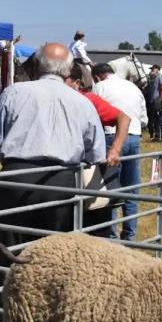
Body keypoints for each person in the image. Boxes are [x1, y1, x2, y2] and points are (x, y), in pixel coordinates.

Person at [0, 42, 105, 247]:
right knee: (53, 251)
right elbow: (96, 152)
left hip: (15, 178)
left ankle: (5, 277)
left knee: (9, 246)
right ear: (69, 70)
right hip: (61, 180)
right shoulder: (82, 102)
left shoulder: (14, 92)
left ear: (37, 64)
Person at [66, 64, 130, 238]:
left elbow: (123, 118)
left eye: (62, 80)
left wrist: (115, 149)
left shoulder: (88, 99)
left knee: (94, 224)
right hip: (62, 176)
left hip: (87, 172)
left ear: (76, 83)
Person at [92, 62, 147, 242]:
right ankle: (130, 235)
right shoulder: (132, 87)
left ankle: (112, 236)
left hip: (112, 137)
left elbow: (92, 114)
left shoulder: (99, 87)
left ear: (97, 76)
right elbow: (144, 118)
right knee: (131, 188)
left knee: (111, 187)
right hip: (134, 136)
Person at [144, 65, 162, 142]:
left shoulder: (160, 77)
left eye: (153, 69)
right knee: (155, 120)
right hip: (152, 102)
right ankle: (157, 136)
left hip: (157, 101)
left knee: (160, 120)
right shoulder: (152, 78)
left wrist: (160, 99)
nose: (151, 71)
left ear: (157, 70)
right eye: (151, 69)